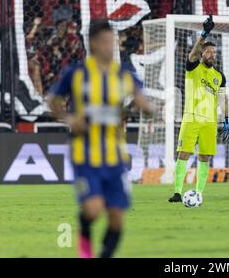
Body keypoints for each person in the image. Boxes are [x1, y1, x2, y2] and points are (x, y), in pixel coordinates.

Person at [47, 19, 155, 258]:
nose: (110, 46)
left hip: (115, 156)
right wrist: (68, 118)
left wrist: (149, 107)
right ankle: (85, 240)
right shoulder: (76, 74)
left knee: (116, 218)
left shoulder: (123, 76)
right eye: (105, 41)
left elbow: (141, 98)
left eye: (112, 41)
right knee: (93, 209)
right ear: (93, 44)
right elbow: (53, 101)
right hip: (84, 155)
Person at [168, 15, 229, 203]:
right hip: (191, 117)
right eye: (209, 52)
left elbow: (222, 98)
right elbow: (192, 54)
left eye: (214, 52)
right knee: (183, 154)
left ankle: (198, 192)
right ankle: (178, 192)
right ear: (203, 54)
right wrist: (203, 35)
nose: (213, 54)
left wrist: (226, 120)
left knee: (204, 157)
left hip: (210, 122)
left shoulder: (219, 76)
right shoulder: (193, 67)